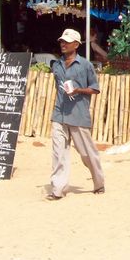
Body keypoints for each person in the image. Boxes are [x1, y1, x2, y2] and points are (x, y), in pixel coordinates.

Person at [48, 28, 105, 200]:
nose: (63, 44)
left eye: (67, 42)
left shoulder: (86, 65)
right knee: (58, 153)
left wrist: (78, 90)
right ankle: (58, 189)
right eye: (62, 41)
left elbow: (95, 88)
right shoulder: (56, 65)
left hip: (78, 115)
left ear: (76, 44)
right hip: (59, 113)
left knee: (87, 153)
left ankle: (99, 183)